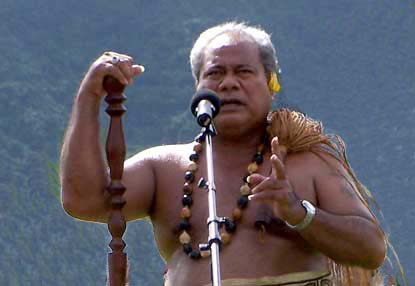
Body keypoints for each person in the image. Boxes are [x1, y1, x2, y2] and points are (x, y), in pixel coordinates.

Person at [60, 22, 387, 286]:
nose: (229, 84)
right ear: (198, 88)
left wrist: (299, 213)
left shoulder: (309, 160)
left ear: (270, 83)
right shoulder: (164, 169)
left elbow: (371, 249)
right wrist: (90, 96)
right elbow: (83, 199)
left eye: (244, 72)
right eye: (215, 73)